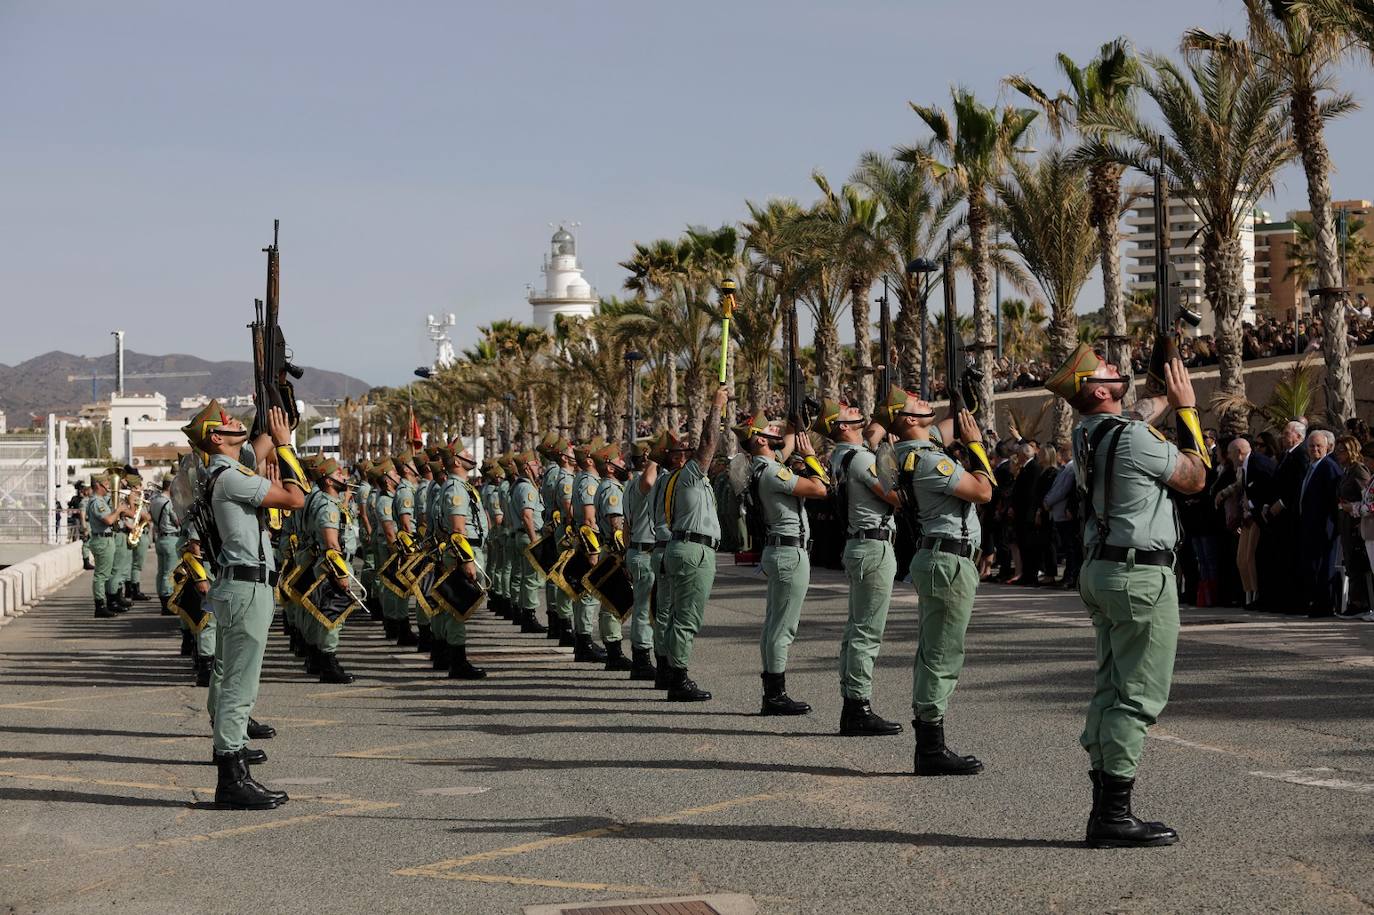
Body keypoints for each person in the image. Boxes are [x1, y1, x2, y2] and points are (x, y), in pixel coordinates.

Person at [1045, 345, 1208, 848]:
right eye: (1108, 370)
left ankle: (1104, 807)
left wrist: (1160, 392)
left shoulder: (1087, 432)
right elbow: (1197, 477)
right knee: (1137, 695)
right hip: (1140, 577)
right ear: (1097, 390)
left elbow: (1133, 415)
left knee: (1110, 687)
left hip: (1102, 569)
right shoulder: (1133, 438)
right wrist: (1186, 409)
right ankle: (1115, 814)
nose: (1117, 369)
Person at [182, 399, 304, 810]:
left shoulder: (224, 469)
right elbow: (294, 498)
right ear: (217, 438)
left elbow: (258, 443)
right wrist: (287, 447)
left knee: (235, 677)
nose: (237, 423)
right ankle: (231, 778)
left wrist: (274, 400)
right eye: (228, 422)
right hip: (246, 586)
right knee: (239, 683)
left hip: (243, 585)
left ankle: (233, 764)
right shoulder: (230, 476)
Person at [876, 386, 993, 774]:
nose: (926, 402)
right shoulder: (928, 461)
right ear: (909, 420)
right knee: (942, 654)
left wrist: (966, 405)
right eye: (917, 404)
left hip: (936, 555)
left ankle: (930, 741)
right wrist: (976, 445)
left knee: (934, 649)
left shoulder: (906, 453)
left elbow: (946, 428)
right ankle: (930, 747)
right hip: (948, 559)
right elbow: (983, 491)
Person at [816, 399, 904, 735]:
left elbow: (870, 439)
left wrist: (882, 423)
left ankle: (853, 703)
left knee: (856, 629)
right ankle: (858, 707)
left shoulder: (842, 456)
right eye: (847, 411)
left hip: (859, 543)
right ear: (840, 426)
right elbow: (894, 496)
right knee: (867, 631)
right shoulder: (861, 459)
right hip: (873, 545)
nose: (854, 409)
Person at [735, 409, 828, 716]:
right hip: (790, 552)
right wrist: (811, 456)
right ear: (760, 440)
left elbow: (785, 445)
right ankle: (775, 694)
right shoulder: (775, 472)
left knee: (774, 623)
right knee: (783, 627)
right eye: (768, 431)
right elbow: (819, 488)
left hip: (779, 550)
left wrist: (795, 422)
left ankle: (771, 691)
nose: (775, 433)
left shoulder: (763, 467)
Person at [661, 384, 729, 701]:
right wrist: (716, 406)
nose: (690, 452)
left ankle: (670, 671)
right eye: (682, 451)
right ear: (677, 459)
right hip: (693, 550)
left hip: (680, 547)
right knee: (687, 617)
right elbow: (709, 442)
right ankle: (678, 678)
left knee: (676, 614)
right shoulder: (687, 474)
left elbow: (714, 454)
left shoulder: (680, 479)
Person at [591, 442, 634, 671]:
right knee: (612, 603)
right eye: (619, 460)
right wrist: (624, 555)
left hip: (610, 550)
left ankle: (613, 650)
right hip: (614, 552)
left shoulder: (607, 486)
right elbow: (616, 525)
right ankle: (614, 653)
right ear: (609, 467)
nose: (623, 463)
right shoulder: (611, 489)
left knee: (610, 603)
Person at [1261, 420, 1309, 612]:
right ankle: (1278, 599)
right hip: (1277, 517)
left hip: (1289, 517)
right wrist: (1267, 504)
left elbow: (1297, 485)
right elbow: (1277, 483)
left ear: (1298, 436)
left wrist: (1281, 504)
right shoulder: (1286, 456)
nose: (1283, 436)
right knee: (1278, 559)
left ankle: (1292, 602)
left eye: (1287, 433)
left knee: (1289, 559)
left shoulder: (1301, 455)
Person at [621, 441, 658, 681]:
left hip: (637, 550)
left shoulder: (627, 485)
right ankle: (642, 658)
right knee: (645, 610)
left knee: (644, 609)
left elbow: (625, 526)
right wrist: (657, 457)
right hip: (645, 552)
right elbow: (648, 481)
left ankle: (642, 656)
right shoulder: (638, 483)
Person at [1298, 429, 1343, 618]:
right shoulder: (1312, 466)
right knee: (1314, 566)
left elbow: (1334, 499)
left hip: (1324, 527)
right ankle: (1316, 602)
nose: (1315, 449)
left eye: (1319, 446)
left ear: (1327, 448)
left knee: (1324, 566)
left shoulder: (1328, 467)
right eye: (1311, 446)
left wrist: (1331, 525)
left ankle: (1324, 606)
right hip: (1310, 526)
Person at [86, 473, 135, 618]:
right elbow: (108, 520)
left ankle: (107, 603)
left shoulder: (100, 501)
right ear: (98, 486)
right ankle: (100, 606)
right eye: (106, 484)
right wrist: (118, 510)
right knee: (101, 575)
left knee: (105, 574)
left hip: (106, 539)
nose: (108, 487)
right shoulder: (97, 502)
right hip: (102, 540)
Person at [1335, 434, 1371, 616]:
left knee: (1357, 563)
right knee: (1350, 562)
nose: (1339, 454)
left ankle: (1360, 602)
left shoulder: (1358, 470)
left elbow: (1367, 496)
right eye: (1337, 451)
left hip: (1357, 523)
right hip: (1346, 522)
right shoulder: (1347, 470)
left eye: (1342, 451)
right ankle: (1356, 601)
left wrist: (1353, 508)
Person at [1042, 446, 1081, 589]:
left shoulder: (1071, 469)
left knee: (1070, 548)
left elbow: (1063, 490)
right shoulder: (1065, 469)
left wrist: (1048, 501)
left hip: (1065, 514)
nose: (1060, 455)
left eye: (1063, 452)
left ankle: (1070, 577)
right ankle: (1068, 576)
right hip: (1058, 513)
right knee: (1067, 547)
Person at [149, 478, 180, 615]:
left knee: (161, 571)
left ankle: (162, 601)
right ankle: (167, 603)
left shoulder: (154, 500)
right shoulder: (168, 503)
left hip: (160, 538)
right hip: (171, 538)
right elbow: (178, 521)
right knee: (169, 572)